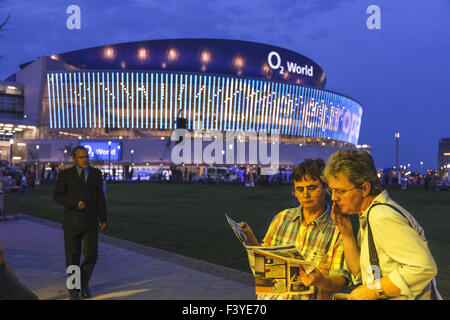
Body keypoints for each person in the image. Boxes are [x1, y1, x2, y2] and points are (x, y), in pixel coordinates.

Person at [322, 149, 440, 300]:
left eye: (340, 191)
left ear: (364, 189)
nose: (333, 198)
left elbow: (424, 267)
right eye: (331, 190)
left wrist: (374, 290)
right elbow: (361, 272)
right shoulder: (368, 215)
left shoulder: (382, 216)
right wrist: (346, 234)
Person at [240, 159, 351, 300]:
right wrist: (250, 239)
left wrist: (319, 280)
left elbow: (340, 281)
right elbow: (261, 268)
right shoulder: (281, 219)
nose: (305, 194)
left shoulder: (338, 229)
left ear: (325, 188)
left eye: (312, 188)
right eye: (300, 189)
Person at [53, 146, 107, 300]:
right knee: (72, 258)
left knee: (91, 255)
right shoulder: (65, 175)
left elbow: (100, 198)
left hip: (90, 221)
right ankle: (73, 291)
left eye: (86, 156)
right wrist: (74, 203)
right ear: (74, 159)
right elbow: (57, 196)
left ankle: (83, 284)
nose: (85, 159)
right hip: (72, 222)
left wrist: (103, 218)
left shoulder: (96, 174)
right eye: (81, 157)